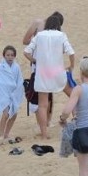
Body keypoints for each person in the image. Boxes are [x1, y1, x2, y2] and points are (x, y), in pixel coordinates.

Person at [24, 11, 75, 139]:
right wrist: (71, 66)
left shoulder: (40, 35)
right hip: (57, 71)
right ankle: (78, 122)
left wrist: (35, 61)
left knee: (42, 104)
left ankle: (44, 134)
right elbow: (71, 52)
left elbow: (26, 52)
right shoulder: (61, 35)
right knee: (74, 95)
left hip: (43, 72)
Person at [0, 45, 25, 142]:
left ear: (14, 56)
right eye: (8, 55)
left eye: (12, 55)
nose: (10, 57)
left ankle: (6, 134)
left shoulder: (16, 67)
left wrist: (17, 90)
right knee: (5, 114)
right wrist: (8, 87)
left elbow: (19, 80)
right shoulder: (1, 67)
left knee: (14, 115)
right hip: (3, 94)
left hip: (13, 93)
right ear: (4, 56)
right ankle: (1, 134)